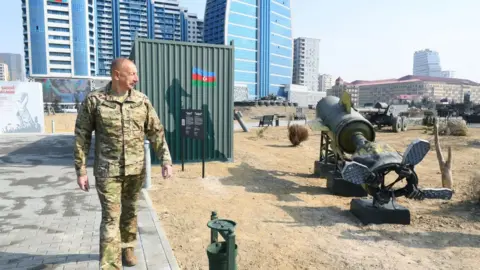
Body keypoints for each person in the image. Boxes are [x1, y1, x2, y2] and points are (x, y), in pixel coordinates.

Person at [73, 57, 173, 269]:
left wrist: (165, 159)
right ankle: (110, 264)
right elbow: (82, 136)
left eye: (136, 74)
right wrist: (80, 170)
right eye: (132, 74)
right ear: (117, 75)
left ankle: (127, 247)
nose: (136, 78)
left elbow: (156, 131)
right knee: (111, 218)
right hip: (107, 171)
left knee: (130, 212)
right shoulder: (95, 100)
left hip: (136, 170)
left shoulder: (141, 100)